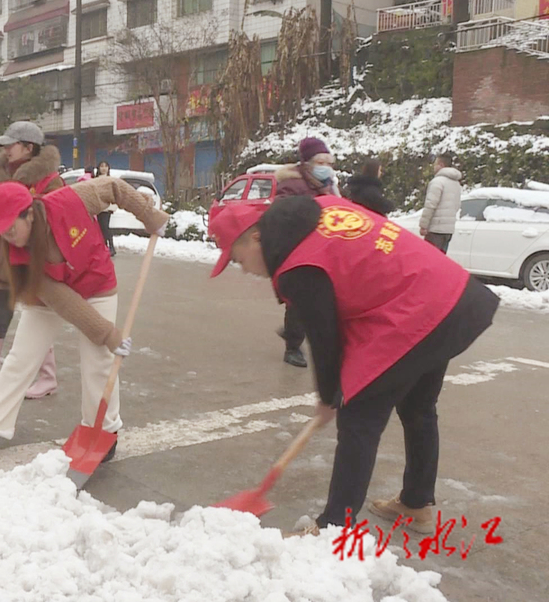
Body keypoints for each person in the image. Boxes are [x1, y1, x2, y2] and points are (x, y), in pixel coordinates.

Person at [208, 195, 498, 536]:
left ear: (256, 237)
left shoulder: (298, 266)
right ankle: (416, 502)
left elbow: (325, 337)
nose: (245, 270)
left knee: (358, 417)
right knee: (418, 407)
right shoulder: (324, 206)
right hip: (453, 295)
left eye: (238, 260)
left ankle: (332, 528)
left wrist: (330, 396)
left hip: (417, 307)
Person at [0, 177, 169, 459]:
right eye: (2, 232)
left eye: (11, 229)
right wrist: (108, 333)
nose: (8, 237)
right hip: (48, 293)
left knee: (99, 361)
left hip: (96, 281)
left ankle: (103, 431)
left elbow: (114, 188)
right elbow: (63, 301)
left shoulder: (71, 200)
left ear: (30, 213)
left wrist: (149, 215)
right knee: (22, 357)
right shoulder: (18, 257)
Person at [0, 121, 65, 400]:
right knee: (0, 315)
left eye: (11, 145)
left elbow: (58, 221)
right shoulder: (1, 177)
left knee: (38, 317)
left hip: (36, 261)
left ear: (28, 147)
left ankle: (47, 378)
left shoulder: (51, 181)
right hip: (5, 261)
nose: (6, 151)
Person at [273, 137, 341, 369]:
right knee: (300, 298)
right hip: (301, 248)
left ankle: (299, 334)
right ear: (307, 162)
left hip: (327, 248)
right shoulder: (292, 183)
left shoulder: (329, 184)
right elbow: (283, 213)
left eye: (328, 161)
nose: (325, 166)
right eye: (320, 161)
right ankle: (293, 346)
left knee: (322, 299)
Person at [419, 153, 462, 253]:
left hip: (435, 229)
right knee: (441, 259)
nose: (434, 167)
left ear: (441, 165)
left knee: (429, 258)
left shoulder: (437, 182)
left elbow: (430, 205)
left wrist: (423, 225)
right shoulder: (456, 183)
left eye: (435, 164)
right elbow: (457, 205)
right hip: (448, 230)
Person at [94, 161, 117, 256]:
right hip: (98, 207)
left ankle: (111, 247)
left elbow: (114, 194)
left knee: (105, 227)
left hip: (107, 208)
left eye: (105, 166)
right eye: (101, 166)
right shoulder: (95, 180)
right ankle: (104, 247)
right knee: (99, 228)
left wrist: (113, 207)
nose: (104, 168)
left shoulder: (111, 180)